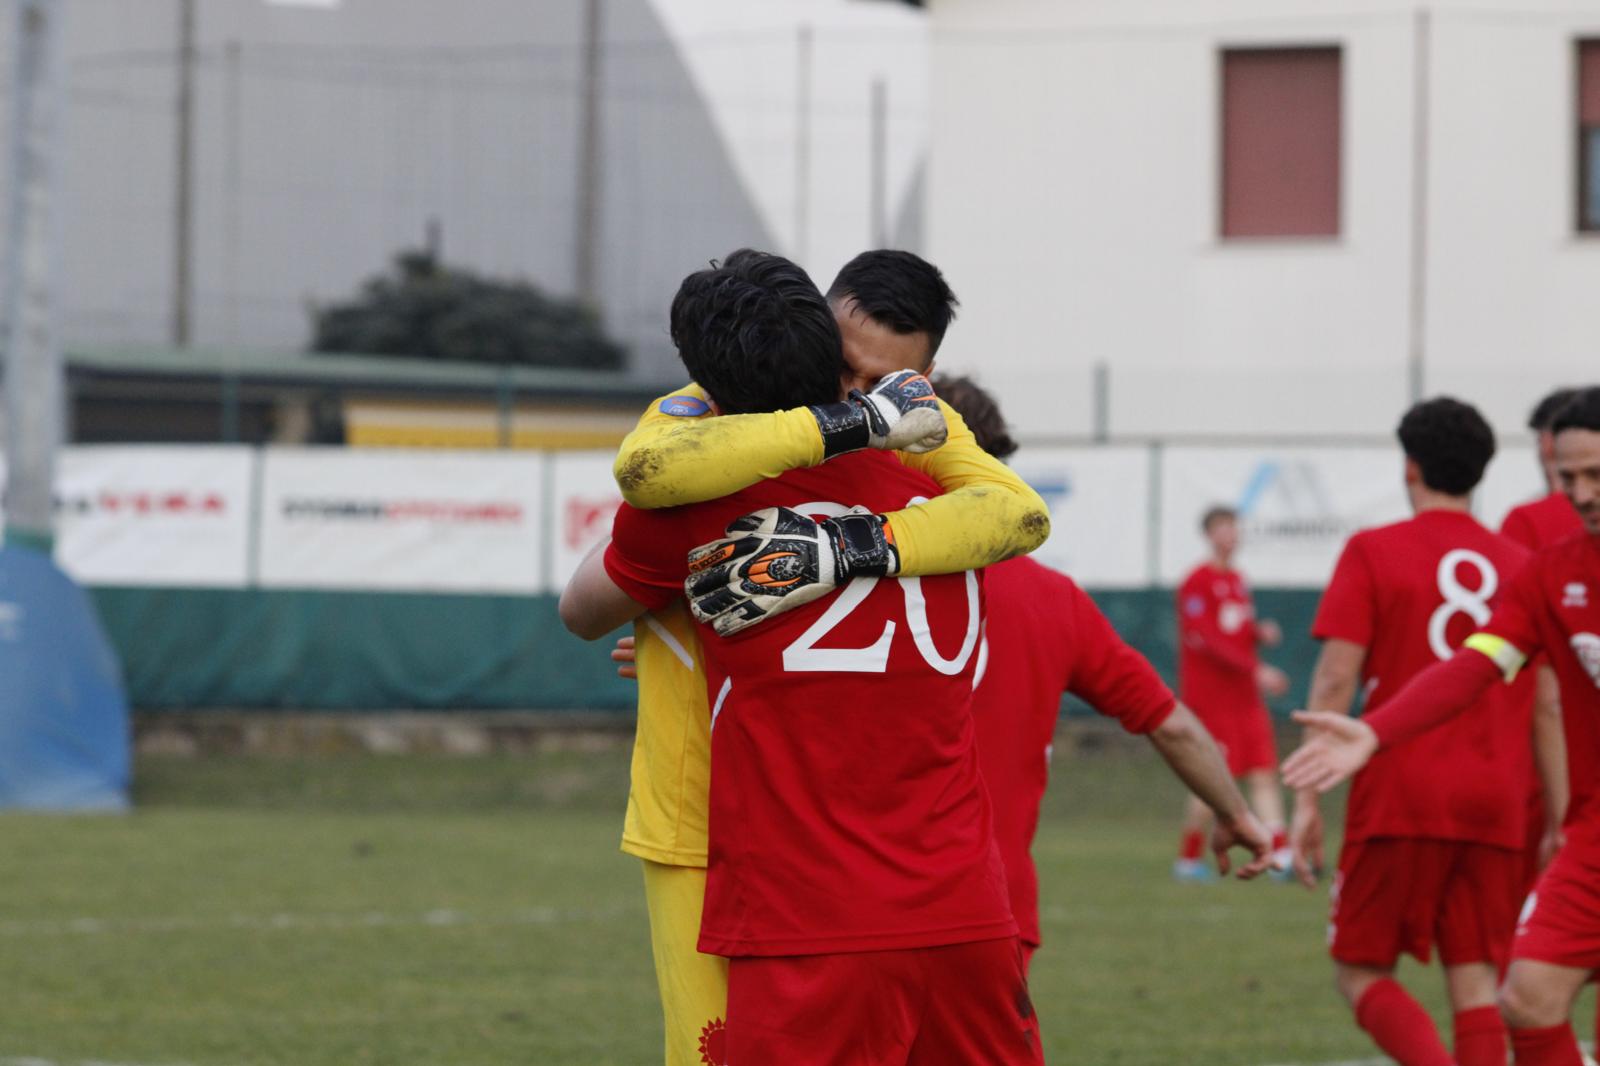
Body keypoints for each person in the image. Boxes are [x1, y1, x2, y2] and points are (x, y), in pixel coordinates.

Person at [564, 249, 1073, 1063]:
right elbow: (648, 475)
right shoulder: (924, 489)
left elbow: (588, 597)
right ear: (815, 333)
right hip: (904, 879)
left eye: (880, 385)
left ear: (922, 382)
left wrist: (838, 551)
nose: (855, 395)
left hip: (797, 874)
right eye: (843, 369)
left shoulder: (730, 495)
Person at [1284, 386, 1600, 1066]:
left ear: (1410, 466)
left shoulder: (1374, 550)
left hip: (1402, 797)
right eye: (1568, 476)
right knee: (1501, 988)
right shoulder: (1536, 567)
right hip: (1514, 806)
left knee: (1365, 970)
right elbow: (1501, 676)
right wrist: (1376, 730)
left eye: (1593, 475)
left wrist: (1315, 784)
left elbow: (1336, 675)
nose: (1579, 494)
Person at [933, 374, 1272, 975]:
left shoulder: (849, 577)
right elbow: (1172, 725)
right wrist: (1235, 813)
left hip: (855, 908)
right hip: (993, 908)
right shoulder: (1051, 598)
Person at [1173, 505, 1291, 879]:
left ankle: (1281, 856)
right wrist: (1256, 670)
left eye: (1234, 528)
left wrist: (1258, 633)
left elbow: (1233, 629)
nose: (1231, 535)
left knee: (1263, 771)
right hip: (1213, 699)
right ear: (1209, 535)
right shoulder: (1196, 581)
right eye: (1222, 528)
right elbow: (1205, 638)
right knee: (1212, 780)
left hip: (1244, 697)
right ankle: (1189, 859)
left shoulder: (1239, 579)